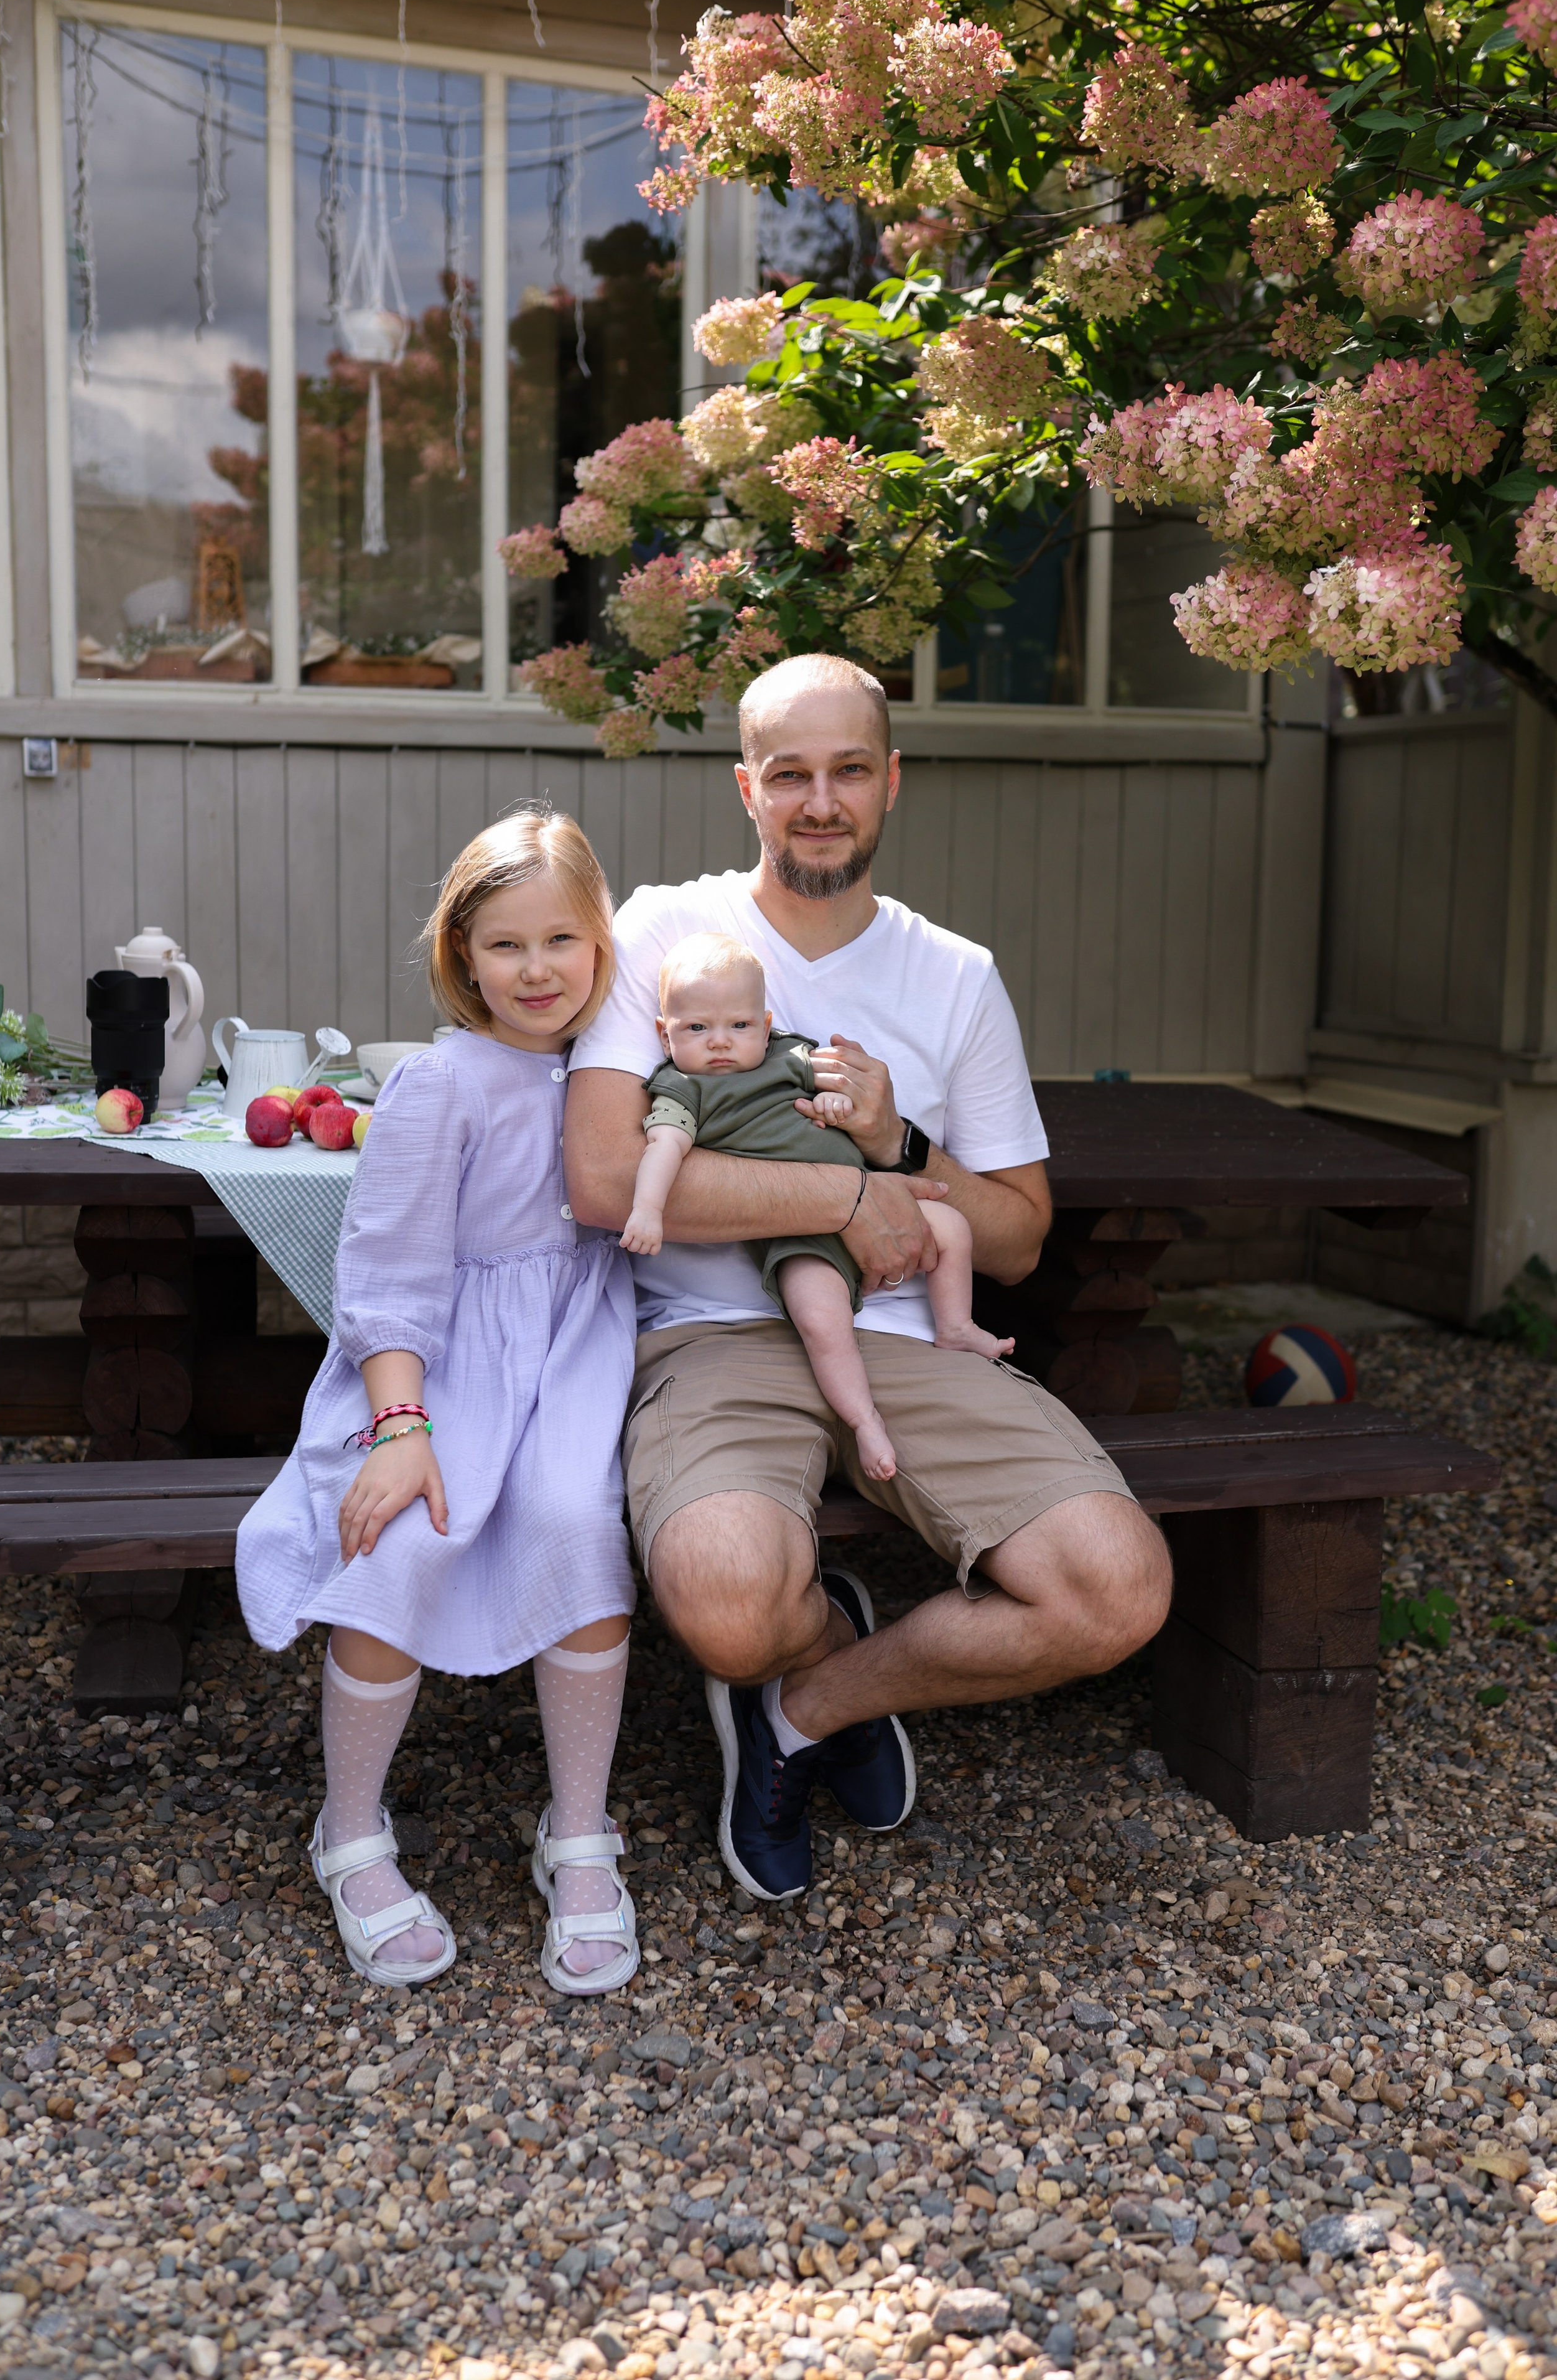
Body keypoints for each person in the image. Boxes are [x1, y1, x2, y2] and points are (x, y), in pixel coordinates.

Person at [565, 652, 1173, 1903]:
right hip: (713, 1339)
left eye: (848, 770)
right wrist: (848, 1196)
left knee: (1114, 1593)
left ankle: (804, 1708)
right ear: (746, 787)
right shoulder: (663, 938)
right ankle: (808, 1631)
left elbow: (1012, 1237)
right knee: (727, 1609)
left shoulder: (952, 977)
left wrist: (899, 1145)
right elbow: (599, 1175)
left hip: (908, 1342)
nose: (821, 800)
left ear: (890, 782)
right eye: (790, 774)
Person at [237, 812, 641, 1995]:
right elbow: (391, 1271)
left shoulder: (615, 1073)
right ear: (463, 956)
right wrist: (400, 1429)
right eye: (506, 945)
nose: (537, 970)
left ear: (604, 940)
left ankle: (579, 1833)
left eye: (563, 938)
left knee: (577, 1524)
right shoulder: (439, 1082)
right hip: (447, 1366)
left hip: (571, 1359)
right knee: (403, 1540)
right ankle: (348, 1829)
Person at [623, 929, 1013, 1481]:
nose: (719, 1042)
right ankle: (864, 1419)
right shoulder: (685, 1089)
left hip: (878, 1203)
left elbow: (846, 1096)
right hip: (799, 1233)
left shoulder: (790, 1055)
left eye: (738, 1025)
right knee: (823, 1324)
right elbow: (664, 1147)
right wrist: (647, 1209)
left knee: (951, 1226)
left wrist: (835, 1101)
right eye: (696, 1028)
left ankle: (955, 1325)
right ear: (666, 1036)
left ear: (765, 1024)